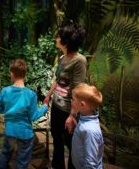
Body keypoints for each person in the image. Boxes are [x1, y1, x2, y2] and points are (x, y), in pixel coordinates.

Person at [43, 24, 87, 169]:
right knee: (57, 140)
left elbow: (77, 89)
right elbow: (57, 80)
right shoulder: (62, 58)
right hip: (56, 106)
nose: (56, 39)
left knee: (71, 143)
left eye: (59, 36)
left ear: (66, 41)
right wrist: (48, 96)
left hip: (68, 110)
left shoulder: (80, 60)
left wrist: (73, 115)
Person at [0, 59, 48, 169]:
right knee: (22, 161)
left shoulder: (5, 91)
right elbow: (33, 116)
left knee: (5, 154)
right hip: (25, 134)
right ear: (25, 75)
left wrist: (9, 109)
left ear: (12, 74)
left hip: (10, 132)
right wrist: (44, 108)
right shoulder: (31, 94)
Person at [71, 83, 104, 169]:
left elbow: (90, 163)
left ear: (82, 105)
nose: (71, 102)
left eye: (73, 99)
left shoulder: (90, 131)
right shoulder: (85, 117)